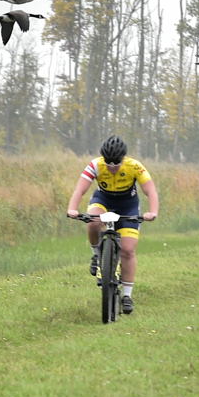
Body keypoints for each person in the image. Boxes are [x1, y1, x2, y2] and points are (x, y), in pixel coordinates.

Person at [66, 135, 159, 314]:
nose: (112, 166)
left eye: (116, 163)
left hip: (128, 205)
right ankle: (96, 255)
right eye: (108, 162)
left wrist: (152, 212)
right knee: (93, 222)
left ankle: (126, 295)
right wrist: (72, 209)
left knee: (128, 250)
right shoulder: (95, 165)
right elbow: (80, 189)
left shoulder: (135, 166)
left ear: (123, 158)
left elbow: (150, 191)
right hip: (103, 201)